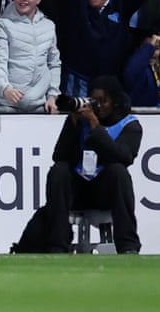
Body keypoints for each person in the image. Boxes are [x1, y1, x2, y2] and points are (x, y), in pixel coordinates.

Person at [40, 76, 142, 254]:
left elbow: (123, 156)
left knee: (118, 171)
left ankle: (128, 246)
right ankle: (57, 244)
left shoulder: (130, 124)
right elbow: (59, 156)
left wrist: (95, 125)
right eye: (96, 101)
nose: (100, 106)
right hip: (78, 189)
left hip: (105, 190)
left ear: (115, 101)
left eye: (104, 101)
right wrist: (73, 124)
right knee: (59, 171)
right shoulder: (80, 120)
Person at [0, 0, 61, 113]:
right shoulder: (1, 25)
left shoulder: (49, 26)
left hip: (39, 105)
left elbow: (54, 63)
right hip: (6, 104)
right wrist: (5, 89)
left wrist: (52, 96)